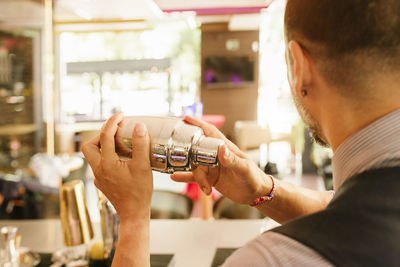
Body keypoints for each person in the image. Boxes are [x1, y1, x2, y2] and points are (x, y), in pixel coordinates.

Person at [82, 0, 400, 266]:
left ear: (298, 66)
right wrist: (261, 188)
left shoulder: (275, 258)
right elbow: (346, 210)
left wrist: (134, 219)